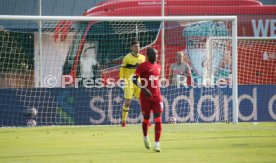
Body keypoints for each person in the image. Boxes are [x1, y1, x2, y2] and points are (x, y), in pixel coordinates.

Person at [132, 47, 163, 152]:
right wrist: (143, 89)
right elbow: (134, 79)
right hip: (145, 97)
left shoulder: (159, 67)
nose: (157, 55)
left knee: (158, 119)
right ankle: (145, 137)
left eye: (157, 53)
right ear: (149, 55)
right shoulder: (142, 66)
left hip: (157, 97)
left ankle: (157, 144)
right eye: (154, 53)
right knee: (146, 118)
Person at [119, 41, 145, 127]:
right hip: (129, 82)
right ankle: (123, 121)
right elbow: (122, 70)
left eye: (138, 46)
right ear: (131, 48)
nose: (137, 48)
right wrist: (121, 80)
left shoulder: (143, 58)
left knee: (143, 102)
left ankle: (146, 121)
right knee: (128, 102)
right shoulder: (127, 58)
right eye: (135, 47)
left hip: (139, 82)